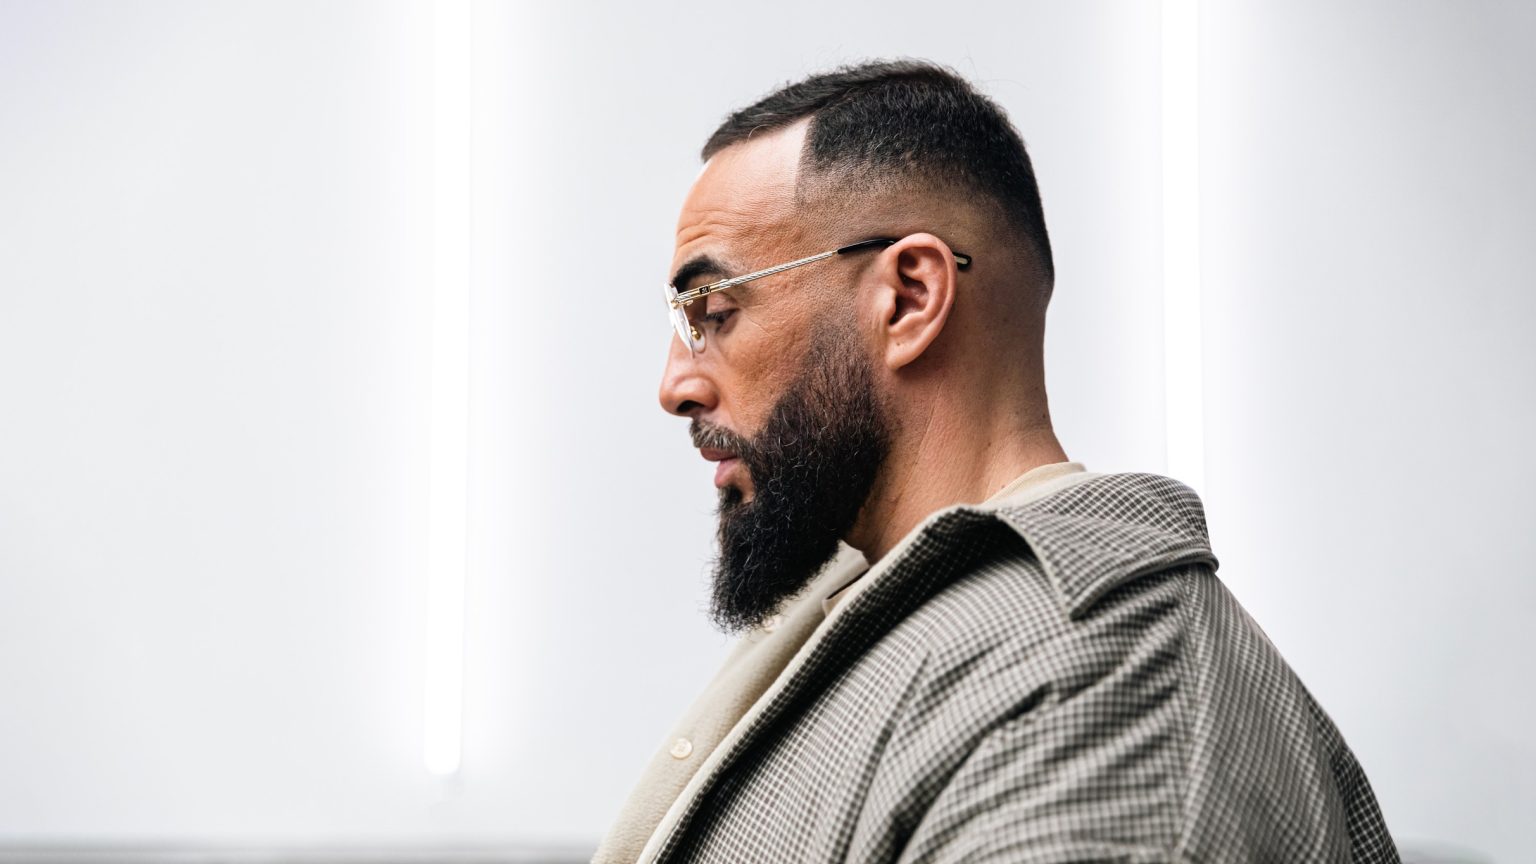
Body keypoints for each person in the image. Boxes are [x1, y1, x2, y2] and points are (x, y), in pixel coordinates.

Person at [594, 59, 1398, 864]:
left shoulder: (1103, 698)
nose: (674, 386)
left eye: (715, 312)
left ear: (909, 299)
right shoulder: (871, 605)